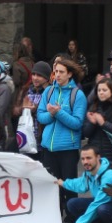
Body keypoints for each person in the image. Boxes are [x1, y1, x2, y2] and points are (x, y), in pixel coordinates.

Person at [36, 58, 86, 187]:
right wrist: (52, 114)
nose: (57, 75)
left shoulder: (78, 95)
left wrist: (58, 113)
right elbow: (40, 117)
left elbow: (77, 123)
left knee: (68, 189)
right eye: (56, 71)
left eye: (61, 72)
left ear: (69, 74)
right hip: (48, 149)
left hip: (68, 150)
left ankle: (69, 208)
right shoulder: (49, 91)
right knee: (51, 188)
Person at [56, 145, 112, 223]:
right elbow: (80, 184)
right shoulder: (89, 172)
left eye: (89, 158)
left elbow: (97, 203)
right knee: (72, 204)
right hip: (100, 202)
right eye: (83, 159)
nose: (85, 162)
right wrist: (63, 183)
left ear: (98, 157)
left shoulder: (109, 175)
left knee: (102, 208)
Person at [82, 77, 112, 165]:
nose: (101, 92)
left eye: (104, 90)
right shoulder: (93, 107)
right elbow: (86, 133)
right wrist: (92, 123)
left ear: (111, 91)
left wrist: (104, 123)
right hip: (95, 154)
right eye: (99, 90)